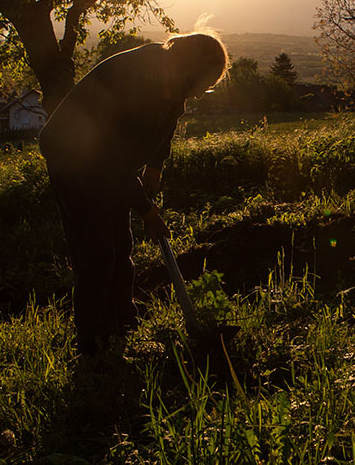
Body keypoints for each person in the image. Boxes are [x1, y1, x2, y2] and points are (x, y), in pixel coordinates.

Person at [38, 32, 229, 354]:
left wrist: (154, 169)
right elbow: (112, 164)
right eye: (200, 85)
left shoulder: (172, 80)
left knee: (120, 242)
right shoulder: (139, 82)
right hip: (72, 157)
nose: (197, 96)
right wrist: (146, 209)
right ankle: (92, 339)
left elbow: (165, 126)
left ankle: (123, 318)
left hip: (106, 162)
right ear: (189, 70)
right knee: (96, 251)